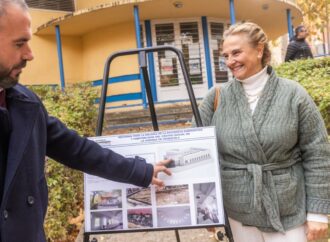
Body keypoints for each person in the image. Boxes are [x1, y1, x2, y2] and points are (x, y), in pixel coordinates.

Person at [0, 1, 172, 241]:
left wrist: (138, 171)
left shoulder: (24, 102)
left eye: (29, 41)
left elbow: (76, 149)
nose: (30, 54)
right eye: (19, 43)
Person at [195, 22, 330, 242]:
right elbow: (197, 149)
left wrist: (317, 213)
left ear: (259, 50)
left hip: (288, 208)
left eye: (236, 53)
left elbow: (318, 153)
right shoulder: (216, 97)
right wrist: (204, 207)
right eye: (226, 55)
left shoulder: (293, 94)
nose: (230, 61)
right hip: (237, 209)